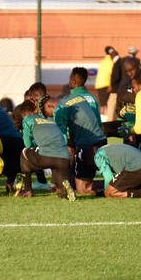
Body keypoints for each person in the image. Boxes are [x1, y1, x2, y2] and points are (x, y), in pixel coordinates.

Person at [53, 67, 107, 195]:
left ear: (73, 81)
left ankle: (65, 182)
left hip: (85, 145)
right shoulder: (92, 98)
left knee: (82, 188)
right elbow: (98, 123)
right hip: (99, 140)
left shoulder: (67, 102)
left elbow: (62, 134)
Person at [18, 96, 75, 200]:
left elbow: (27, 145)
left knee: (24, 153)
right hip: (64, 157)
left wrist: (35, 143)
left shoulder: (28, 119)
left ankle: (27, 190)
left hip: (47, 156)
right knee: (60, 192)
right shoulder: (50, 120)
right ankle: (64, 189)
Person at [96, 46, 117, 119]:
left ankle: (102, 119)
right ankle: (105, 121)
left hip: (98, 84)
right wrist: (111, 85)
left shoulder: (103, 61)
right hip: (105, 84)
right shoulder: (111, 62)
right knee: (107, 105)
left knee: (102, 104)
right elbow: (112, 74)